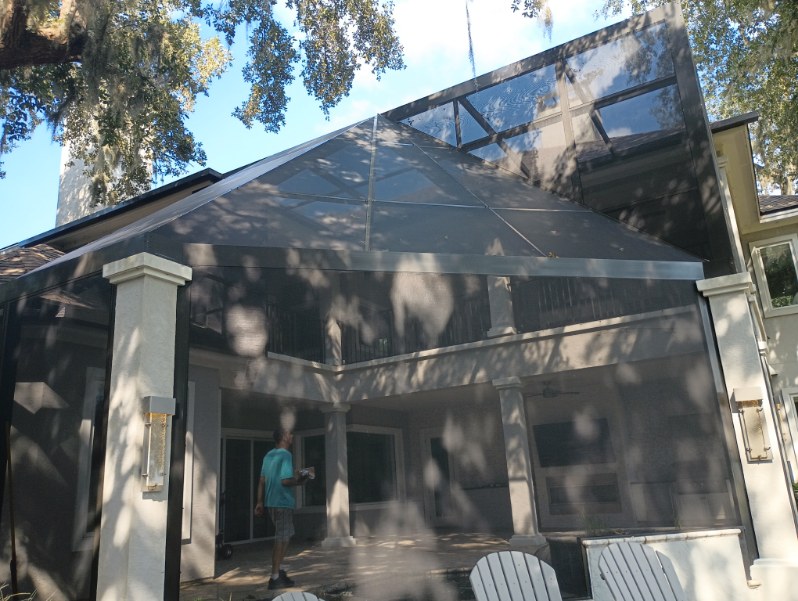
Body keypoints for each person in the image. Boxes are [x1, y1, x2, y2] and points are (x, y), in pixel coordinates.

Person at [254, 428, 309, 590]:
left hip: (271, 502)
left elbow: (262, 481)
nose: (292, 436)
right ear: (284, 437)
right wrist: (300, 480)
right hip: (282, 502)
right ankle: (275, 577)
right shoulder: (286, 455)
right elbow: (285, 481)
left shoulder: (268, 455)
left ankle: (280, 569)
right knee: (281, 538)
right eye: (289, 434)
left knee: (286, 535)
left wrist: (259, 502)